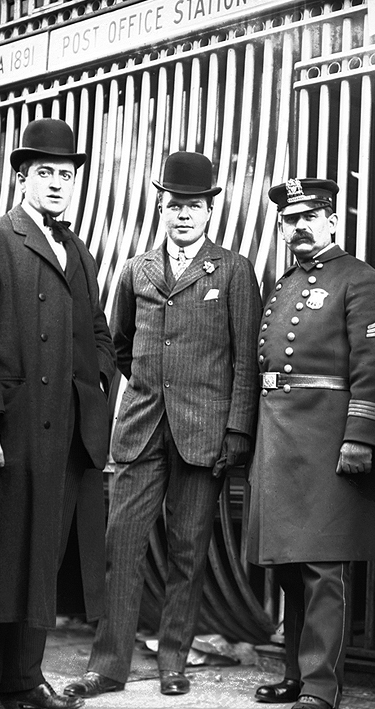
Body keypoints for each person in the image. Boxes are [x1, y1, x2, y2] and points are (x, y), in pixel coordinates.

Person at [63, 151, 262, 699]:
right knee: (120, 545)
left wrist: (237, 431)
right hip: (142, 427)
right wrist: (156, 386)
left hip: (204, 434)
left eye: (193, 206)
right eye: (174, 205)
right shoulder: (138, 269)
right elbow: (122, 344)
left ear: (209, 212)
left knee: (188, 548)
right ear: (160, 207)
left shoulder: (233, 270)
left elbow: (245, 358)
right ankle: (108, 666)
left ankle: (174, 659)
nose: (183, 215)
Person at [0, 118, 116, 709]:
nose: (56, 183)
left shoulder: (79, 251)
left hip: (68, 429)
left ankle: (23, 682)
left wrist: (96, 383)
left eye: (66, 174)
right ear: (22, 178)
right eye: (45, 173)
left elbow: (99, 332)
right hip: (10, 427)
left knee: (43, 556)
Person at [247, 178, 375, 709]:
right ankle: (294, 673)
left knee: (322, 570)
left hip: (328, 440)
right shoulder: (284, 282)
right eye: (291, 220)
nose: (300, 227)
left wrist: (361, 435)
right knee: (290, 569)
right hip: (280, 442)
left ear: (333, 221)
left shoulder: (358, 279)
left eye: (310, 217)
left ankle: (320, 687)